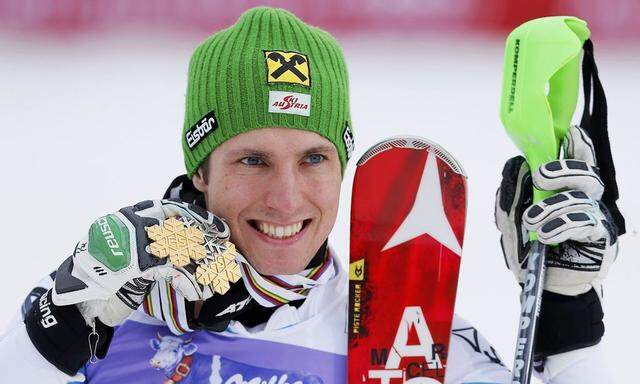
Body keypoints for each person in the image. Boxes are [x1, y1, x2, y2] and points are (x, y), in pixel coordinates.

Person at [0, 7, 620, 383]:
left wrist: (569, 322)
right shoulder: (114, 310)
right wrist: (54, 326)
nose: (286, 197)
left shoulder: (400, 335)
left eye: (315, 159)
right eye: (252, 160)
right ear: (199, 173)